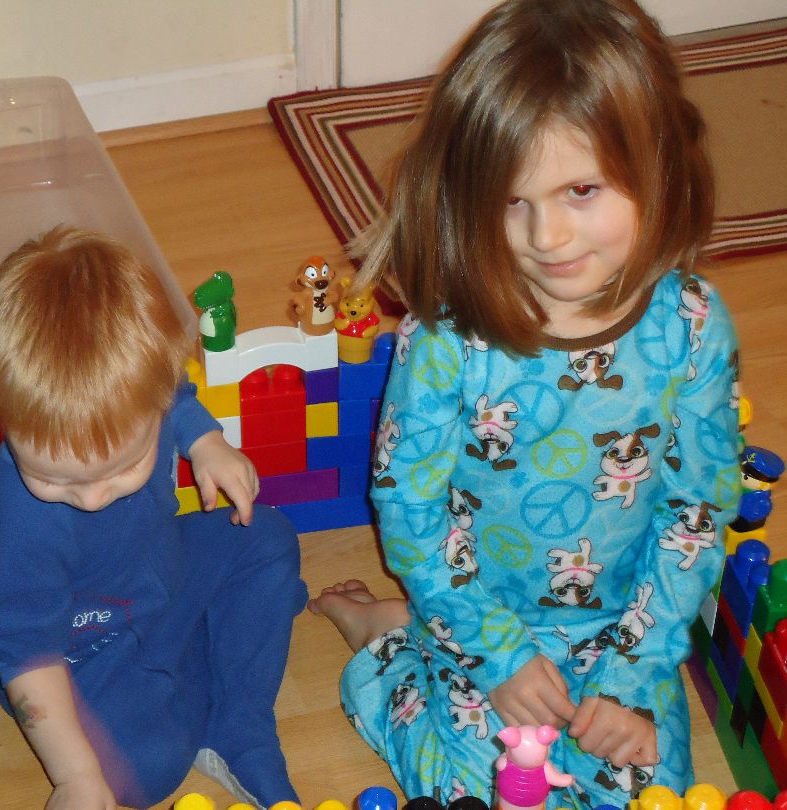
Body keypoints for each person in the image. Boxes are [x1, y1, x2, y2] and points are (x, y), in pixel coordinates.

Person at [308, 1, 742, 807]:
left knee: (648, 795)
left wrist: (633, 673)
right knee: (477, 792)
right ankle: (386, 648)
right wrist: (494, 653)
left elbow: (695, 513)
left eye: (581, 189)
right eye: (513, 200)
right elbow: (409, 505)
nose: (546, 237)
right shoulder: (446, 339)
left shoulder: (692, 327)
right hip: (475, 622)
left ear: (659, 169)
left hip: (625, 631)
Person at [0, 226, 307, 810]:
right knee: (142, 773)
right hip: (79, 646)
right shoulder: (11, 533)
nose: (93, 498)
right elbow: (30, 664)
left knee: (266, 537)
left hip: (158, 571)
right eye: (56, 479)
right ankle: (207, 663)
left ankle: (237, 723)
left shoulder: (143, 391)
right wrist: (75, 777)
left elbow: (176, 394)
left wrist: (205, 440)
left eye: (121, 468)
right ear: (1, 417)